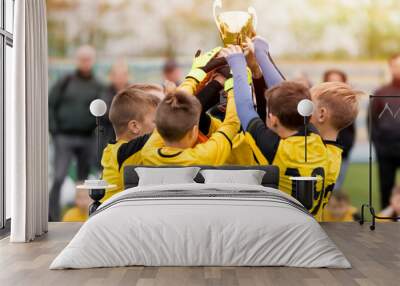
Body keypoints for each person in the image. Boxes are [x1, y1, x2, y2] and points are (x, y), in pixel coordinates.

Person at [223, 44, 329, 219]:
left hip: (286, 229)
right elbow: (284, 89)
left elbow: (244, 107)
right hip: (312, 225)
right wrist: (260, 53)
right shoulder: (314, 136)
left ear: (273, 119)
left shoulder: (273, 146)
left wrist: (237, 62)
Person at [48, 45, 104, 221]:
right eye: (82, 59)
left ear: (93, 61)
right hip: (64, 137)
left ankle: (83, 217)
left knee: (83, 181)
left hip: (87, 139)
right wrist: (54, 130)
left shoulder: (98, 85)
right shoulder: (65, 82)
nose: (85, 62)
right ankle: (52, 218)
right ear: (77, 61)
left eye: (88, 59)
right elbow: (51, 104)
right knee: (59, 177)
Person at [141, 85, 240, 166]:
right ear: (194, 132)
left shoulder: (148, 154)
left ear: (159, 130)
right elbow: (231, 124)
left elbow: (231, 123)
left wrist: (233, 88)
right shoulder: (205, 157)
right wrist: (232, 85)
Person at [101, 87, 161, 201]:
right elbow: (166, 129)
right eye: (156, 121)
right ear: (134, 126)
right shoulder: (125, 152)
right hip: (114, 215)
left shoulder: (114, 150)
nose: (159, 124)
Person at [371, 53, 400, 209]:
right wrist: (378, 146)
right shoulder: (381, 92)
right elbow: (372, 120)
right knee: (386, 190)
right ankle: (385, 228)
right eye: (396, 65)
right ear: (390, 68)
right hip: (386, 151)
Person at [323, 69, 356, 191]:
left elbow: (351, 130)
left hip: (343, 153)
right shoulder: (317, 102)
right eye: (331, 81)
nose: (335, 86)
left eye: (338, 82)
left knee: (335, 188)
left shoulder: (350, 104)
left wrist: (345, 148)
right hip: (321, 153)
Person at [101, 60, 131, 148]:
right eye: (117, 75)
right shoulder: (104, 92)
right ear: (111, 76)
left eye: (123, 75)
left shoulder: (134, 92)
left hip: (129, 139)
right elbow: (105, 113)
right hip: (109, 137)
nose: (120, 78)